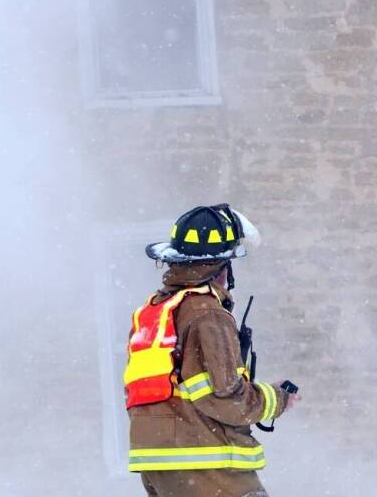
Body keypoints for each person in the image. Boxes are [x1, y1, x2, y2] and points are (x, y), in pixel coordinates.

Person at [123, 204, 299, 497]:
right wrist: (276, 399)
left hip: (161, 467)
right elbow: (226, 397)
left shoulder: (155, 312)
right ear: (221, 268)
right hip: (208, 466)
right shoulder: (207, 314)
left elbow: (171, 392)